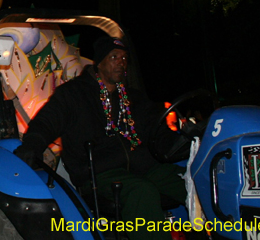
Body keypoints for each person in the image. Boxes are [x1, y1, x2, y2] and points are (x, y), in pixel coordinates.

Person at [15, 36, 187, 240]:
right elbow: (46, 123)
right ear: (99, 61)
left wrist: (184, 143)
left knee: (189, 180)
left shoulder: (134, 98)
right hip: (98, 172)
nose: (121, 62)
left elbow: (156, 132)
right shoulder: (73, 94)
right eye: (114, 56)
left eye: (124, 58)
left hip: (143, 166)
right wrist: (32, 146)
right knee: (142, 191)